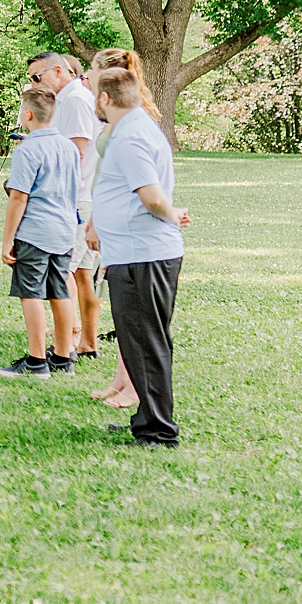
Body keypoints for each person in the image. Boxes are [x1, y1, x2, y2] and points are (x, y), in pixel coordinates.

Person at [89, 66, 187, 448]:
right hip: (134, 252)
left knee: (145, 343)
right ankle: (147, 417)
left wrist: (172, 213)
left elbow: (150, 195)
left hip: (142, 255)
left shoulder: (130, 136)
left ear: (104, 99)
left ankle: (159, 432)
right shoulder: (135, 129)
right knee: (142, 342)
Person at [85, 47, 164, 408]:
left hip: (137, 236)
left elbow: (144, 188)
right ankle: (122, 379)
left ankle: (134, 388)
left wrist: (97, 220)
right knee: (125, 315)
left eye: (90, 70)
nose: (86, 75)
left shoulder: (129, 123)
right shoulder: (115, 117)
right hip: (115, 223)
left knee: (136, 321)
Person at [0, 84, 82, 378]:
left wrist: (7, 240)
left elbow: (19, 197)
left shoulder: (28, 149)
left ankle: (35, 360)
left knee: (30, 292)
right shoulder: (69, 147)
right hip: (65, 229)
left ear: (28, 115)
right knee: (60, 291)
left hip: (36, 230)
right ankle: (62, 355)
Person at [30, 52, 100, 358]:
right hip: (83, 196)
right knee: (82, 273)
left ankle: (67, 344)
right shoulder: (71, 98)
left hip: (76, 197)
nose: (34, 84)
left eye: (37, 77)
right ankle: (88, 342)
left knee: (64, 272)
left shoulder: (73, 100)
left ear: (58, 70)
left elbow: (76, 151)